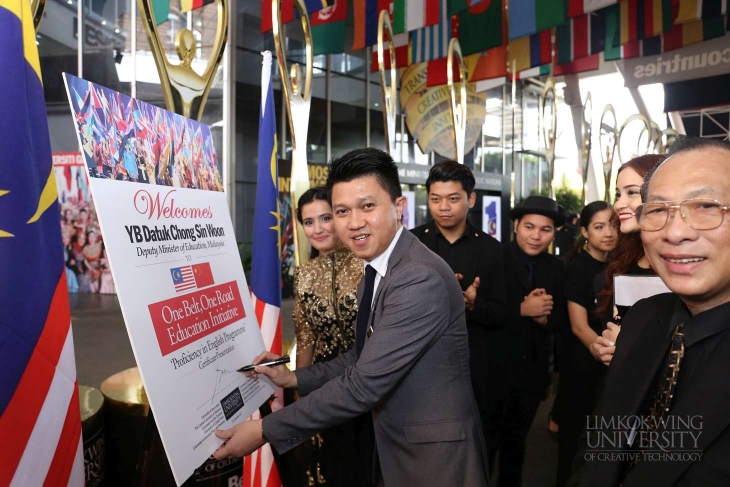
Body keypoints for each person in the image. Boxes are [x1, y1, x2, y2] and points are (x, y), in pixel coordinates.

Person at [214, 148, 489, 486]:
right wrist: (294, 380)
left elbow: (364, 383)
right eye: (342, 211)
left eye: (367, 206)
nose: (354, 222)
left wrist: (264, 429)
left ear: (399, 208)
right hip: (396, 445)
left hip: (432, 459)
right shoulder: (378, 269)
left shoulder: (417, 277)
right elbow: (362, 357)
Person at [570, 136, 730, 486]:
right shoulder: (644, 317)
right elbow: (602, 441)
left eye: (706, 206)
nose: (674, 232)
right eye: (657, 210)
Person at [411, 160, 507, 442]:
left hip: (473, 367)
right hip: (419, 364)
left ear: (470, 199)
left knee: (474, 443)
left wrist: (471, 305)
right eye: (435, 199)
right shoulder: (410, 244)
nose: (443, 207)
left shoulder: (492, 250)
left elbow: (502, 312)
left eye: (453, 199)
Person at [290, 186, 373, 486]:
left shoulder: (366, 262)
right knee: (333, 464)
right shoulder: (304, 275)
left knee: (369, 461)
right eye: (309, 222)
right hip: (324, 382)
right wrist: (301, 384)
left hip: (371, 375)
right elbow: (306, 336)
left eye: (325, 218)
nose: (318, 229)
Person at [489, 195, 567, 486]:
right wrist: (520, 310)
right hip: (491, 371)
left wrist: (544, 318)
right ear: (516, 226)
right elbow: (477, 312)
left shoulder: (558, 268)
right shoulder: (493, 259)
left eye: (545, 230)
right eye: (529, 227)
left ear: (554, 232)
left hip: (531, 376)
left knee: (516, 448)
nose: (536, 236)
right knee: (484, 446)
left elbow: (565, 320)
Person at [555, 201, 617, 486]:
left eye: (613, 225)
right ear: (584, 232)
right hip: (584, 364)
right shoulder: (578, 269)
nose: (608, 232)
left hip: (612, 364)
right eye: (599, 226)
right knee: (574, 443)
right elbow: (579, 327)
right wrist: (604, 352)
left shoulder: (620, 266)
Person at [590, 154, 665, 366]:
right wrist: (600, 347)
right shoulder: (623, 262)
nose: (619, 204)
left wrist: (627, 347)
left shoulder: (684, 266)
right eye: (617, 194)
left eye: (631, 192)